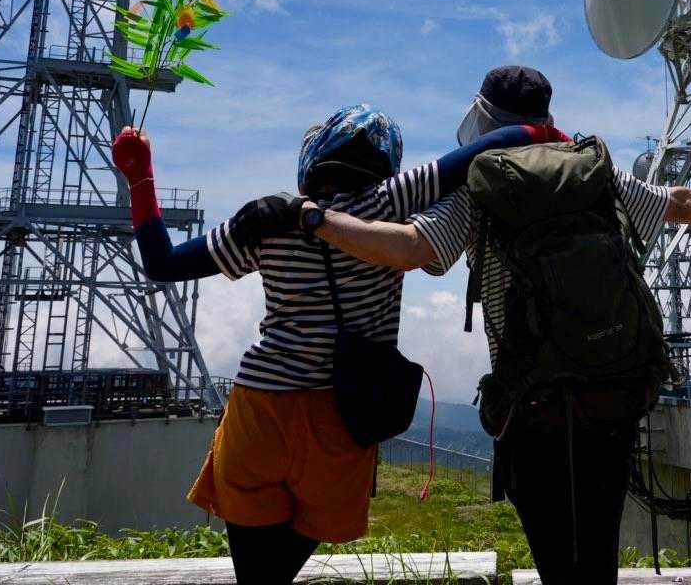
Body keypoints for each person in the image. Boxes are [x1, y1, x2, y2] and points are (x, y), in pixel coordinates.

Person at [305, 66, 691, 583]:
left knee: (557, 564)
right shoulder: (591, 168)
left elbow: (411, 249)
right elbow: (676, 203)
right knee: (598, 558)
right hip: (612, 395)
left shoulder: (482, 182)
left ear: (484, 116)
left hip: (532, 405)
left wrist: (316, 219)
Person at [111, 104, 564, 584]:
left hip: (258, 412)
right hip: (341, 415)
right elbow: (491, 145)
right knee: (282, 562)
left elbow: (162, 263)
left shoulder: (264, 219)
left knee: (255, 573)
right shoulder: (391, 200)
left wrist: (140, 175)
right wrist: (546, 131)